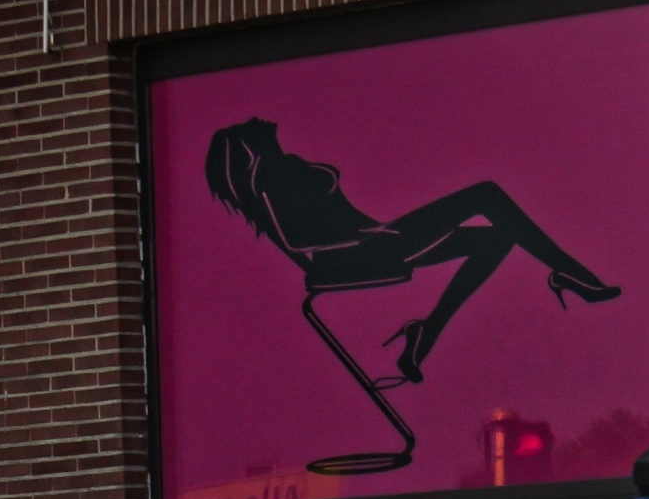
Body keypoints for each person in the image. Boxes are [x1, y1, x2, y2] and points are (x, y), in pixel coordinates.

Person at [203, 119, 619, 385]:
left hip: (375, 242)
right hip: (357, 256)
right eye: (262, 128)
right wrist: (369, 237)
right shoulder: (272, 178)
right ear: (250, 145)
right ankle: (571, 274)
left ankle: (426, 332)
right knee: (487, 196)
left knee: (495, 238)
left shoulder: (281, 171)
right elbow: (296, 240)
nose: (271, 125)